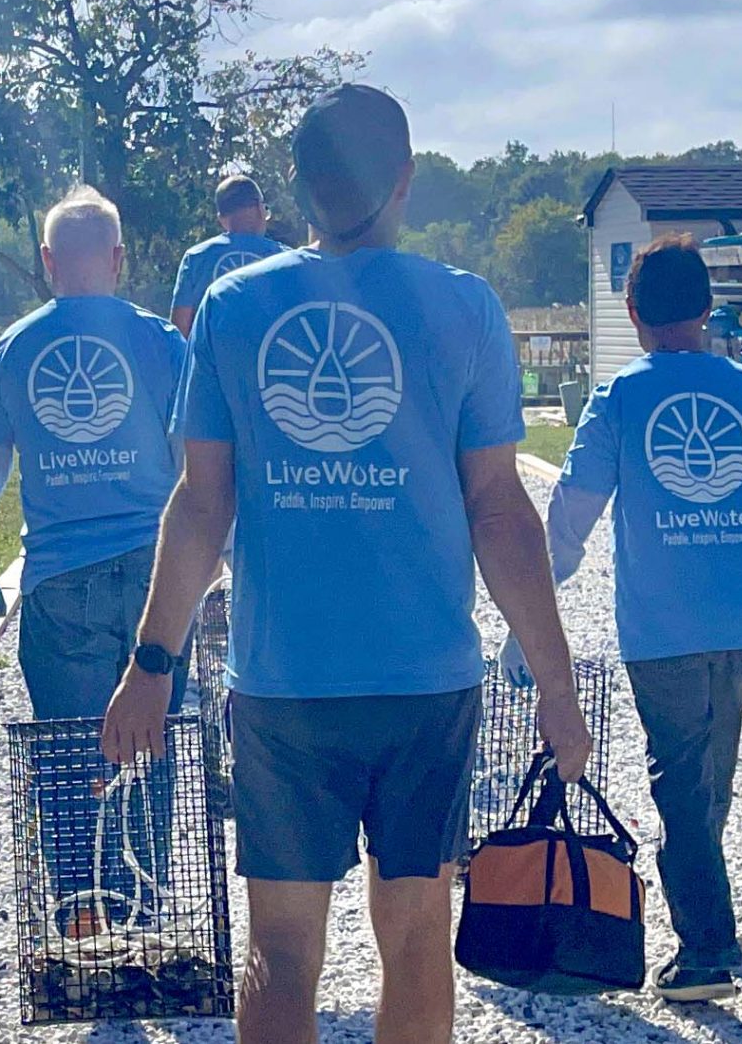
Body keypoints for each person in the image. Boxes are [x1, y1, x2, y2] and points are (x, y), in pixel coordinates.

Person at [101, 85, 594, 1044]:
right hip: (425, 683)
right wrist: (557, 681)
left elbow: (202, 503)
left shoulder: (235, 307)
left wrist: (150, 666)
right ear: (405, 179)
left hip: (287, 687)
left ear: (300, 188)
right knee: (415, 938)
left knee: (282, 951)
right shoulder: (465, 307)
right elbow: (499, 508)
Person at [502, 236, 742, 1003]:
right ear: (709, 310)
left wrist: (524, 621)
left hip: (662, 630)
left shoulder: (620, 399)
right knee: (706, 779)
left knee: (682, 780)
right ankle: (709, 913)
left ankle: (707, 948)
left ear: (633, 314)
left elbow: (570, 519)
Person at [0, 184, 190, 924]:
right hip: (158, 578)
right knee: (151, 743)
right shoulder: (163, 344)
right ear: (118, 258)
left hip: (61, 581)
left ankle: (84, 915)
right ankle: (147, 908)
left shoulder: (15, 349)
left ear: (47, 260)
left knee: (66, 753)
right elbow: (200, 474)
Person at [169, 174, 287, 338]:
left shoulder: (196, 257)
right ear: (260, 209)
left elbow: (179, 331)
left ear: (221, 219)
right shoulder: (286, 258)